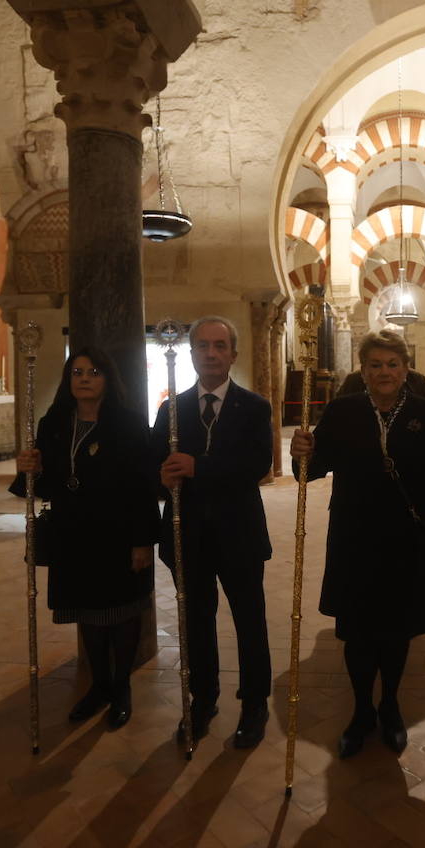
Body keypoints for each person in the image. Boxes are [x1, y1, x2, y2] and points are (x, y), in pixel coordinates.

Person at [290, 331, 425, 758]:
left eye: (392, 364)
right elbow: (313, 471)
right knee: (357, 632)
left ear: (405, 368)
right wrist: (302, 453)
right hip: (356, 536)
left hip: (409, 540)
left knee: (396, 630)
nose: (384, 372)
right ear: (363, 370)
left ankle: (389, 704)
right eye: (375, 365)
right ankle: (361, 711)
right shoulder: (343, 410)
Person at [13, 347, 161, 730]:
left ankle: (122, 688)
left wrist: (143, 539)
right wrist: (29, 469)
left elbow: (144, 486)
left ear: (107, 379)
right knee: (88, 613)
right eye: (77, 371)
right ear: (68, 379)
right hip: (73, 533)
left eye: (93, 371)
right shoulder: (54, 423)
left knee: (122, 611)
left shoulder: (128, 424)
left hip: (118, 531)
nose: (84, 378)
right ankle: (99, 685)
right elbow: (44, 485)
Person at [152, 315, 274, 749]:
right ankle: (202, 700)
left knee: (249, 621)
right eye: (202, 345)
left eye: (219, 346)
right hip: (189, 538)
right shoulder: (171, 409)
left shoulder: (255, 408)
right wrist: (162, 477)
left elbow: (258, 465)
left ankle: (255, 702)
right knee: (196, 622)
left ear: (233, 355)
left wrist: (198, 467)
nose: (210, 353)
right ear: (191, 354)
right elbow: (154, 466)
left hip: (239, 534)